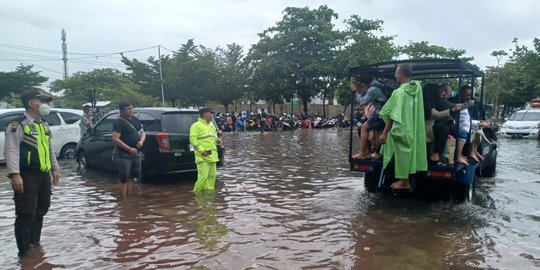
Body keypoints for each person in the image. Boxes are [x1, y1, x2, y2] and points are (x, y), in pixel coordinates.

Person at [4, 90, 60, 256]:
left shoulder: (43, 124)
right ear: (31, 103)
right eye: (41, 101)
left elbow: (49, 149)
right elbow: (11, 150)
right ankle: (24, 254)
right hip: (26, 175)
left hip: (43, 175)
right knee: (26, 213)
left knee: (42, 210)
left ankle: (35, 246)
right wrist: (15, 174)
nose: (45, 104)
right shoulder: (18, 125)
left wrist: (55, 168)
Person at [378, 64, 427, 189]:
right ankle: (406, 180)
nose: (395, 75)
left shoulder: (399, 93)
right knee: (411, 151)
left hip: (403, 127)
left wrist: (384, 134)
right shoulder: (417, 88)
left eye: (396, 73)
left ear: (402, 74)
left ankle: (405, 182)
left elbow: (391, 115)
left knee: (402, 153)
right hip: (414, 127)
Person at [112, 101, 145, 198]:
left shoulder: (135, 120)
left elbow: (143, 133)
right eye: (128, 109)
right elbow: (115, 139)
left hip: (135, 154)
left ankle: (129, 199)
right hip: (123, 155)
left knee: (132, 177)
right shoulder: (118, 122)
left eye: (131, 108)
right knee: (123, 178)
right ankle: (123, 201)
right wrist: (129, 148)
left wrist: (142, 141)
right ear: (122, 111)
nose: (131, 110)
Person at [351, 74, 387, 159]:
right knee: (362, 127)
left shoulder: (373, 89)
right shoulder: (378, 84)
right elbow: (365, 92)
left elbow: (363, 101)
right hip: (381, 112)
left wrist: (355, 92)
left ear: (365, 83)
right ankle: (366, 153)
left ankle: (363, 154)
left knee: (363, 128)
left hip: (381, 113)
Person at [190, 107, 221, 192]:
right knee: (203, 177)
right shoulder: (196, 126)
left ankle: (208, 197)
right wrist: (201, 150)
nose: (212, 115)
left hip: (213, 156)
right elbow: (193, 140)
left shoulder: (211, 125)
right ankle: (196, 194)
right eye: (211, 113)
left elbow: (214, 137)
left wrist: (218, 141)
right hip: (202, 156)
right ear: (205, 114)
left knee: (212, 177)